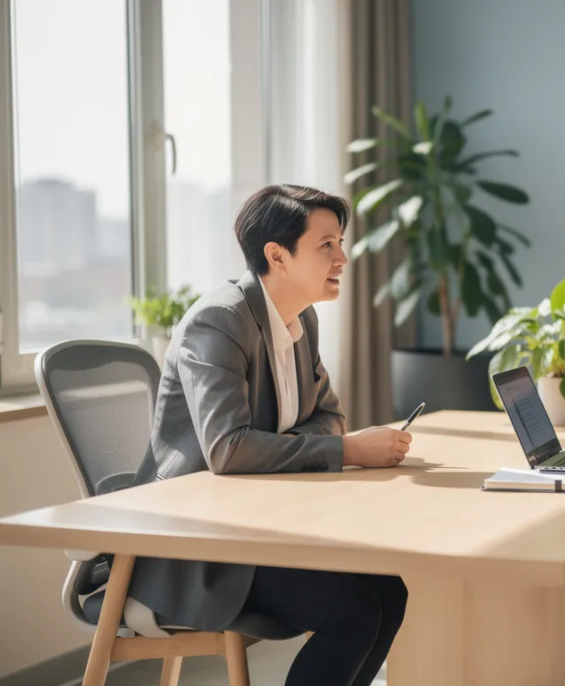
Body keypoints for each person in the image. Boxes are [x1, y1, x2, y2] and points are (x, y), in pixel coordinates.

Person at [129, 184, 411, 686]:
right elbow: (228, 448)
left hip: (260, 529)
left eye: (340, 242)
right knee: (353, 611)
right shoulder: (219, 322)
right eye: (326, 245)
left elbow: (329, 416)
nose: (342, 257)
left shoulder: (302, 320)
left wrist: (325, 441)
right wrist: (345, 452)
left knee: (390, 592)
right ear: (277, 256)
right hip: (199, 549)